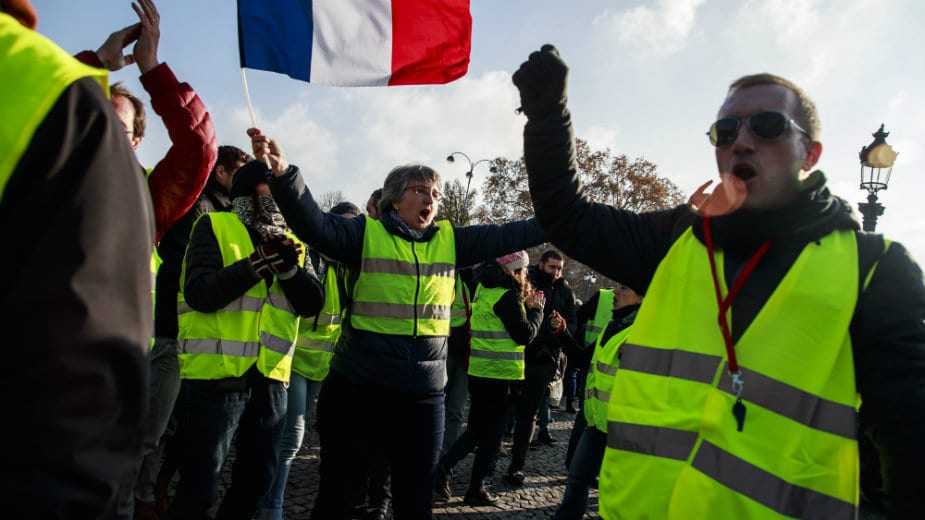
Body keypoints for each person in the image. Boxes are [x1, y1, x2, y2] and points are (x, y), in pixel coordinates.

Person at [513, 44, 925, 518]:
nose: (741, 140)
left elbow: (908, 435)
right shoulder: (676, 239)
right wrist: (547, 113)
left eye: (767, 125)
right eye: (725, 130)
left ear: (810, 152)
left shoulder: (874, 268)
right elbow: (567, 218)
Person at [249, 127, 545, 519]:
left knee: (416, 501)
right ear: (394, 199)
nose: (431, 199)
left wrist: (562, 215)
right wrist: (285, 175)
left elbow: (512, 233)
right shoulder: (363, 233)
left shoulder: (451, 241)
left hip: (423, 398)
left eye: (436, 194)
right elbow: (314, 225)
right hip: (358, 390)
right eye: (421, 189)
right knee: (339, 496)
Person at [0, 1, 154, 517]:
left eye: (121, 120)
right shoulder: (55, 102)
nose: (109, 117)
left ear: (135, 139)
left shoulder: (154, 189)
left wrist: (151, 73)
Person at [168, 160, 325, 520]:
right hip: (216, 376)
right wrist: (256, 264)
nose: (283, 196)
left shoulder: (294, 240)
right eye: (273, 186)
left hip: (270, 377)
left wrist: (287, 269)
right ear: (250, 189)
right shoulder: (215, 225)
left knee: (257, 481)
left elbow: (312, 303)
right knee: (199, 487)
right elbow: (199, 293)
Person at [136, 145, 250, 518]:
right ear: (220, 173)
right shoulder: (199, 209)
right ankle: (141, 498)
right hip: (177, 330)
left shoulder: (232, 211)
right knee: (160, 422)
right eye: (240, 171)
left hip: (201, 341)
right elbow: (185, 269)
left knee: (180, 426)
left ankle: (158, 485)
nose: (247, 180)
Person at [74, 0, 217, 242]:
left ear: (136, 141)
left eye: (118, 128)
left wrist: (150, 66)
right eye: (97, 120)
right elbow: (36, 107)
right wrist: (97, 60)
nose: (104, 132)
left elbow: (198, 146)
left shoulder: (150, 194)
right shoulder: (52, 166)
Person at [260, 200, 361, 520]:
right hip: (293, 360)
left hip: (323, 366)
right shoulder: (311, 256)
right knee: (291, 439)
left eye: (353, 229)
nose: (346, 236)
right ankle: (270, 507)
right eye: (341, 227)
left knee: (288, 441)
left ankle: (261, 500)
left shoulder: (351, 267)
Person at [435, 251, 545, 505]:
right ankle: (460, 477)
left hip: (480, 371)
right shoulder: (507, 296)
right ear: (516, 270)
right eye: (524, 269)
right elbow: (525, 335)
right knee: (489, 437)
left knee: (478, 431)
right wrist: (537, 311)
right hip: (500, 377)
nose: (527, 273)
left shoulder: (484, 289)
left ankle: (464, 480)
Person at [553, 283, 642, 520]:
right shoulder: (612, 327)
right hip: (595, 423)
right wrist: (563, 333)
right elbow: (583, 359)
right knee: (577, 479)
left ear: (641, 299)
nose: (615, 292)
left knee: (614, 493)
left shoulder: (644, 334)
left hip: (622, 429)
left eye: (625, 289)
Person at [504, 249, 577, 486]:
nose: (556, 272)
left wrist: (560, 329)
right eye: (552, 267)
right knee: (503, 408)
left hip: (545, 360)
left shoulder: (565, 291)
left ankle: (517, 465)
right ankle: (490, 458)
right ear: (542, 264)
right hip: (519, 354)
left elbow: (572, 325)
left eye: (559, 268)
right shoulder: (528, 281)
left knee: (528, 414)